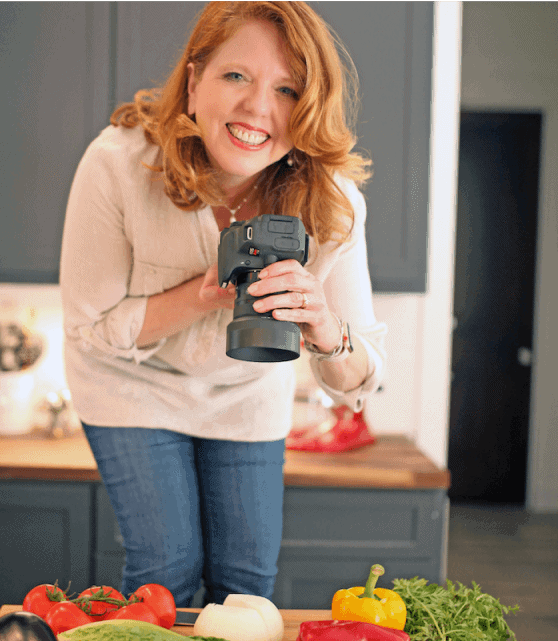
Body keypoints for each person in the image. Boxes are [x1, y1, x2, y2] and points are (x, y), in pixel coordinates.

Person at [60, 1, 387, 607]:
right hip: (130, 382)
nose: (258, 108)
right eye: (236, 76)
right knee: (167, 572)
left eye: (287, 89)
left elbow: (359, 383)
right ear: (193, 83)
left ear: (309, 109)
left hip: (246, 391)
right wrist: (201, 296)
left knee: (246, 585)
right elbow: (91, 331)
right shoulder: (119, 165)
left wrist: (322, 325)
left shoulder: (332, 204)